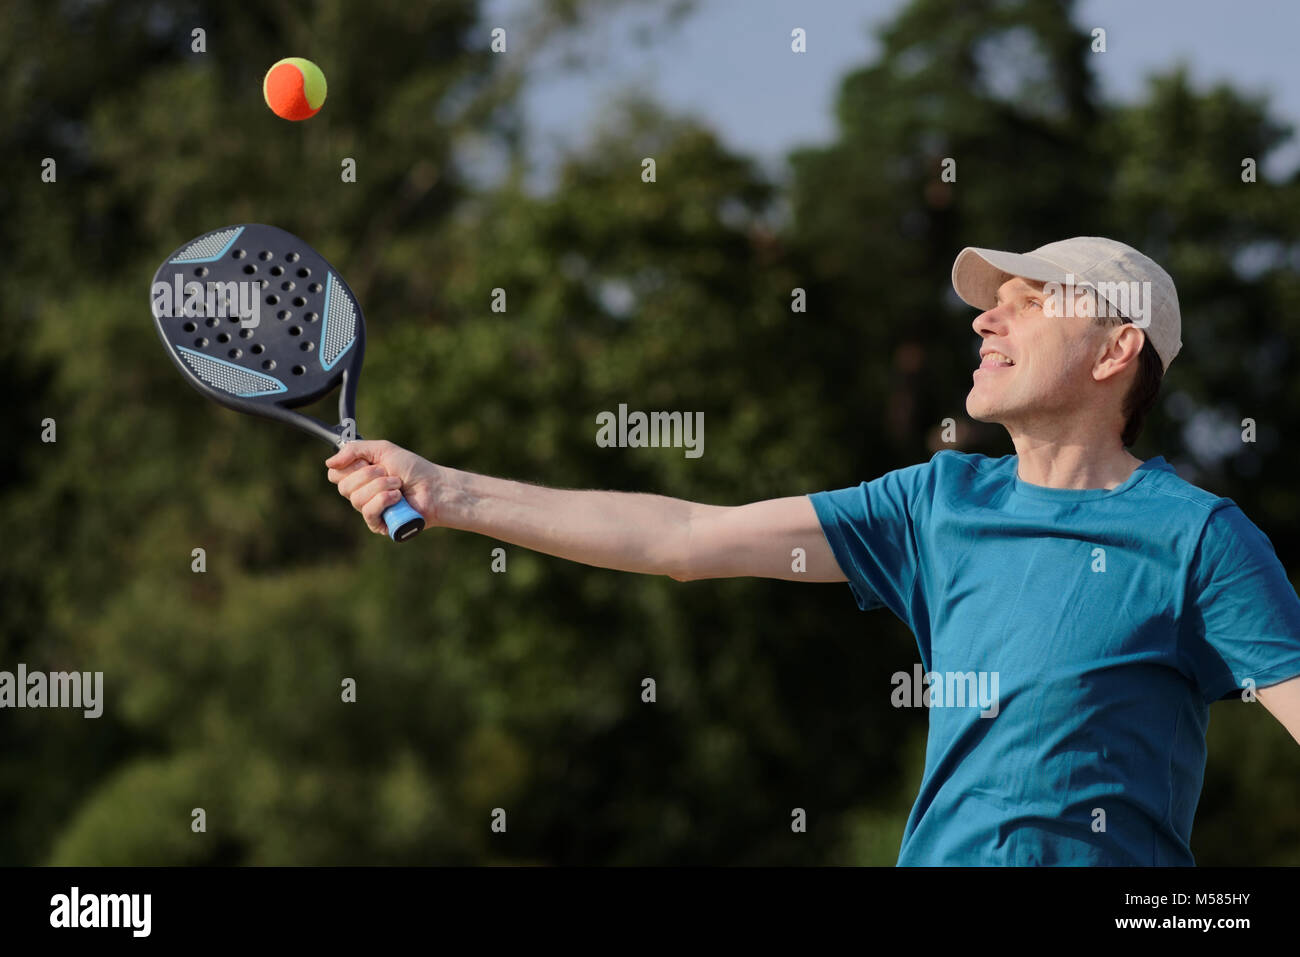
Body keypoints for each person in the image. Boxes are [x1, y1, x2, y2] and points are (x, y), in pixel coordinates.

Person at [325, 237, 1300, 865]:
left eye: (1028, 300)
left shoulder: (1199, 539)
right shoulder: (936, 503)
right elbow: (683, 539)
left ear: (1114, 352)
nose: (985, 318)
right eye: (990, 302)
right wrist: (445, 490)